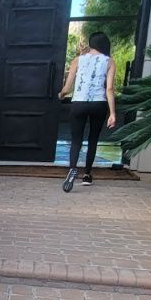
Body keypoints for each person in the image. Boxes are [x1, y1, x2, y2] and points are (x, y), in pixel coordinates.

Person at [59, 30, 116, 191]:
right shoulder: (109, 61)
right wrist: (112, 113)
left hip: (78, 103)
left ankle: (71, 170)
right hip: (99, 104)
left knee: (76, 139)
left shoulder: (77, 60)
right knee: (93, 139)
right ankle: (87, 175)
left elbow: (68, 87)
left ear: (91, 44)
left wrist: (61, 94)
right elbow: (109, 89)